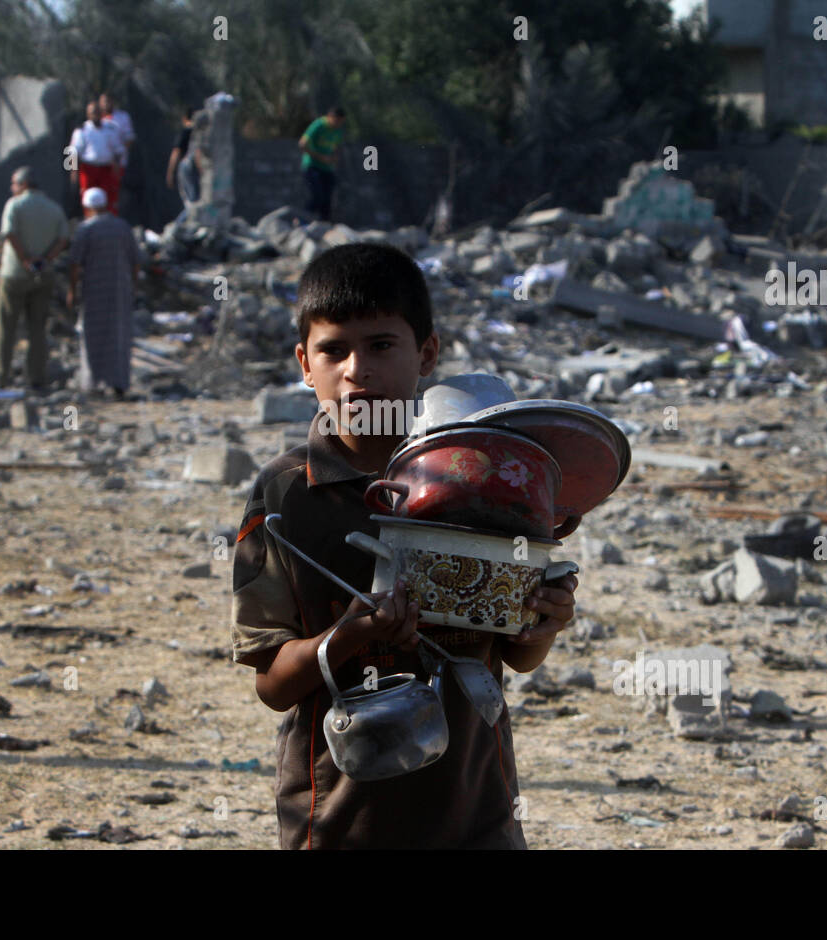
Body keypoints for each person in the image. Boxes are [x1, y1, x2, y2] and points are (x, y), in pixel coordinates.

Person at [230, 243, 579, 849]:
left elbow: (518, 657)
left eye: (381, 346)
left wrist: (546, 619)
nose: (356, 370)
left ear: (427, 352)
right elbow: (271, 684)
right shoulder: (288, 495)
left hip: (474, 808)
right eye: (333, 349)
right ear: (304, 365)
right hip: (339, 816)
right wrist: (349, 638)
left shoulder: (482, 477)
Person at [0, 167, 71, 392]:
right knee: (38, 329)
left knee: (6, 328)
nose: (12, 189)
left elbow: (9, 233)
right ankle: (36, 378)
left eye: (14, 184)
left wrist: (25, 259)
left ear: (23, 184)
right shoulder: (54, 208)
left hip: (14, 273)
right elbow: (63, 238)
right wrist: (44, 260)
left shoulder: (14, 205)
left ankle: (0, 377)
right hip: (43, 274)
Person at [67, 187, 140, 399]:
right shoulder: (122, 227)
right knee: (119, 335)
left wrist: (72, 290)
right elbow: (136, 260)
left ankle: (92, 383)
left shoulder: (85, 230)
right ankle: (119, 383)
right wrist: (133, 285)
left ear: (88, 208)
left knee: (92, 335)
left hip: (93, 290)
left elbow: (74, 263)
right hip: (120, 291)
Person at [70, 101, 123, 215]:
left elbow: (118, 150)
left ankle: (109, 222)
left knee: (109, 196)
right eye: (93, 113)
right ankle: (90, 221)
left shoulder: (111, 128)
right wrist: (73, 170)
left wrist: (118, 166)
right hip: (88, 169)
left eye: (98, 112)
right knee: (88, 197)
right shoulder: (82, 130)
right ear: (88, 115)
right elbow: (73, 151)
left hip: (106, 169)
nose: (96, 115)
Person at [298, 106, 346, 222]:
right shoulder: (318, 125)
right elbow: (302, 144)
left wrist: (334, 157)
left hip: (328, 169)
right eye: (336, 120)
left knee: (328, 199)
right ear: (330, 117)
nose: (338, 124)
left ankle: (324, 226)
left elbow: (337, 147)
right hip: (312, 167)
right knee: (317, 196)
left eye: (341, 122)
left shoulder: (338, 130)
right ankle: (301, 222)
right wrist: (320, 157)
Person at [167, 106, 201, 223]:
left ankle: (178, 225)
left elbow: (176, 152)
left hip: (187, 167)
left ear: (185, 118)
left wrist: (170, 172)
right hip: (196, 168)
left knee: (191, 202)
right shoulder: (199, 133)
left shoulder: (186, 131)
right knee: (194, 200)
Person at [99, 92, 135, 194]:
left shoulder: (122, 117)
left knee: (113, 192)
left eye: (108, 101)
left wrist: (118, 155)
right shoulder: (95, 120)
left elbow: (129, 138)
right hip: (99, 164)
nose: (105, 104)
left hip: (117, 164)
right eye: (103, 102)